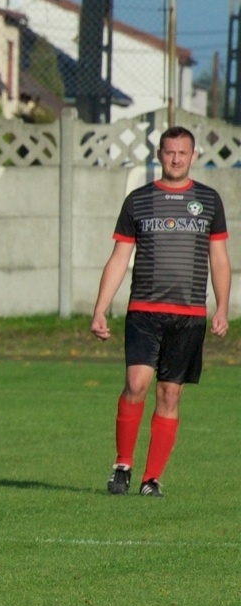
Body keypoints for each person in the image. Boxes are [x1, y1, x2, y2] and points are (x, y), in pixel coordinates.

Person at [90, 126, 229, 497]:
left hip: (189, 315)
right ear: (159, 155)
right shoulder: (139, 201)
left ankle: (151, 479)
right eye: (170, 152)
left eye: (183, 153)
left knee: (169, 395)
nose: (176, 159)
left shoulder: (209, 200)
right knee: (136, 384)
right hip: (144, 310)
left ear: (194, 156)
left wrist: (222, 307)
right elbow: (119, 258)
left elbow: (219, 258)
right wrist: (100, 308)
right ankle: (123, 465)